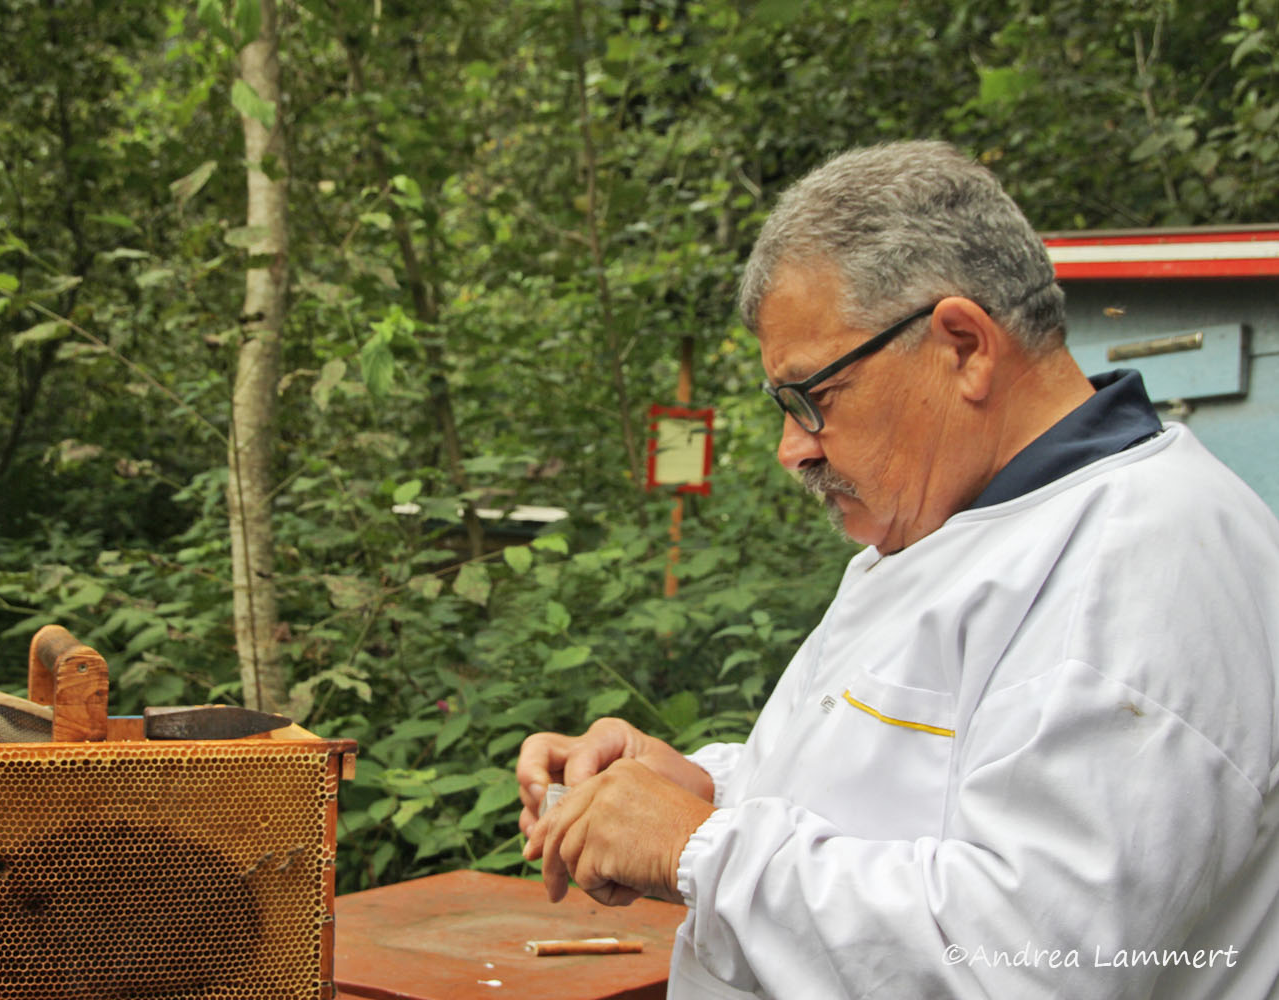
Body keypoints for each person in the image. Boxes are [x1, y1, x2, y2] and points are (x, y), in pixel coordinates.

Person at [516, 139, 1279, 998]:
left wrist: (696, 847)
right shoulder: (962, 521)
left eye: (813, 397)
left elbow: (1040, 961)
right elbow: (904, 806)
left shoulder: (1145, 563)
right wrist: (702, 789)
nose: (791, 449)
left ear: (963, 346)